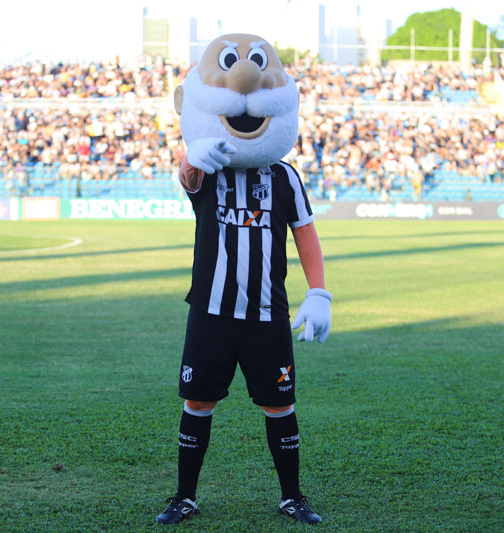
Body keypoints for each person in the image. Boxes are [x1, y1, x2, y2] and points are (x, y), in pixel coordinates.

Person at [155, 34, 332, 526]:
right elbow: (187, 178)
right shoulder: (211, 168)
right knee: (198, 401)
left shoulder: (284, 178)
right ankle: (184, 496)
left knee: (280, 405)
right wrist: (193, 155)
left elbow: (306, 237)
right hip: (210, 311)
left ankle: (292, 496)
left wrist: (318, 292)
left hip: (266, 314)